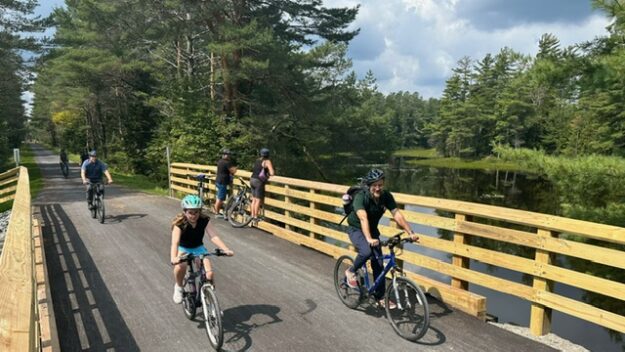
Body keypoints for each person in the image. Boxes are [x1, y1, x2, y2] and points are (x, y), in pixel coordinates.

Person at [344, 168, 419, 308]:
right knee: (366, 251)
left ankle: (380, 297)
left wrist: (410, 232)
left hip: (372, 231)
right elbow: (363, 218)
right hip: (356, 229)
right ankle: (350, 271)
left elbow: (397, 215)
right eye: (375, 185)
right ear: (369, 185)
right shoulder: (361, 197)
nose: (378, 188)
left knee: (378, 263)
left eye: (380, 184)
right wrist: (368, 238)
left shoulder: (386, 196)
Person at [171, 194, 234, 304]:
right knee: (181, 266)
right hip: (184, 248)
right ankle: (179, 286)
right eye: (190, 212)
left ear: (200, 211)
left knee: (209, 274)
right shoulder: (179, 224)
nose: (193, 215)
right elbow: (175, 243)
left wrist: (226, 249)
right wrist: (174, 257)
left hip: (198, 248)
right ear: (185, 211)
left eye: (196, 212)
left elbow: (213, 236)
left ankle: (211, 300)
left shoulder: (204, 220)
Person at [249, 148, 275, 224]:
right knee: (258, 200)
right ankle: (255, 217)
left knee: (253, 200)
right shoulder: (267, 161)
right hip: (258, 181)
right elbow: (272, 172)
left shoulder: (257, 160)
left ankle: (252, 215)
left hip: (252, 179)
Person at [213, 148, 237, 218]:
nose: (229, 156)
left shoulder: (220, 161)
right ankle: (216, 213)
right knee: (220, 198)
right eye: (228, 155)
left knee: (219, 197)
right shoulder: (227, 163)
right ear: (225, 155)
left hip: (218, 180)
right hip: (222, 182)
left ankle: (216, 211)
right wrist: (235, 168)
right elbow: (233, 171)